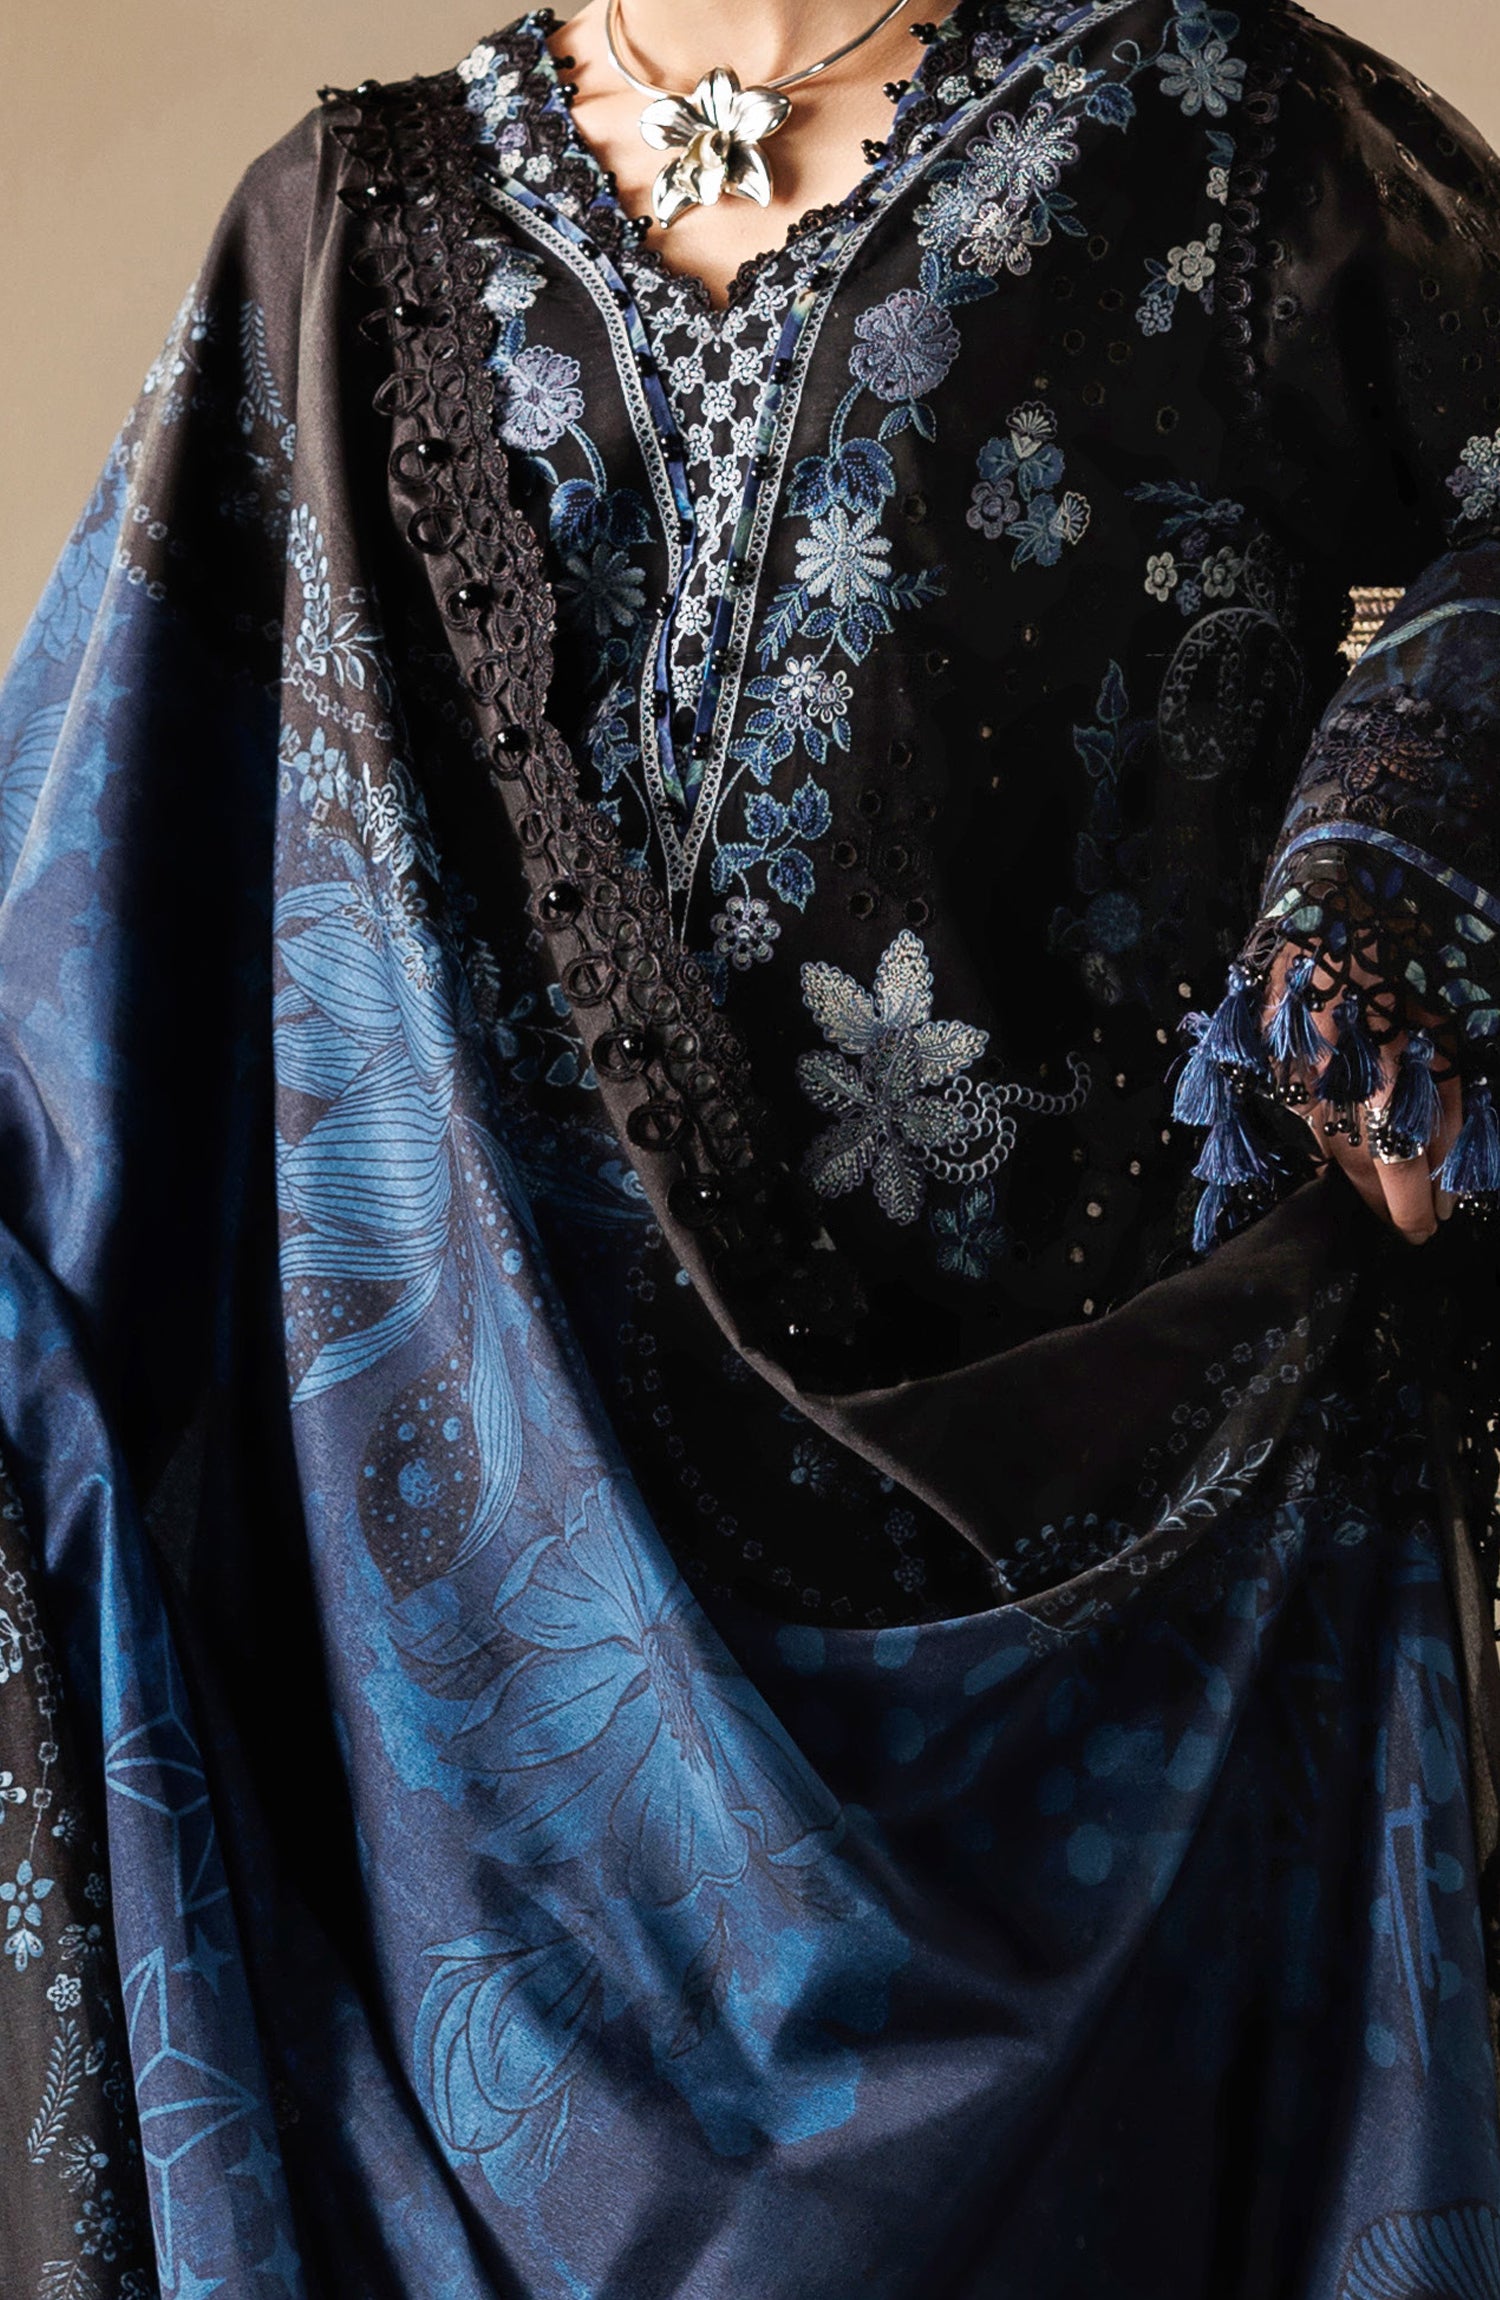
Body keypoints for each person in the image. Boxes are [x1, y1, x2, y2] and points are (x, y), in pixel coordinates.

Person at [3, 0, 1500, 2290]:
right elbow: (91, 931)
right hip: (479, 1783)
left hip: (1147, 1698)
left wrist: (1392, 887)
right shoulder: (346, 241)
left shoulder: (1229, 144)